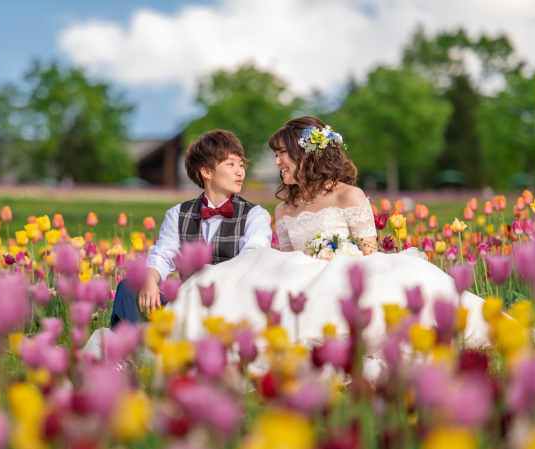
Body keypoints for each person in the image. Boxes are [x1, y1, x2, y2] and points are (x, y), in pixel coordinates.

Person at [167, 116, 504, 382]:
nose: (277, 162)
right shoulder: (284, 210)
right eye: (276, 156)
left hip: (349, 273)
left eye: (281, 154)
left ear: (304, 154)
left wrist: (337, 260)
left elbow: (371, 255)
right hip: (304, 283)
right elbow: (284, 265)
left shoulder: (349, 196)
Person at [110, 129, 273, 327]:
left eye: (241, 165)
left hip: (229, 304)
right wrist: (150, 281)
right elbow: (162, 256)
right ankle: (125, 350)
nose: (240, 172)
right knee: (127, 287)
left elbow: (251, 262)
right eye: (231, 164)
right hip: (186, 300)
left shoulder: (255, 215)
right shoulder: (178, 214)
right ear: (206, 171)